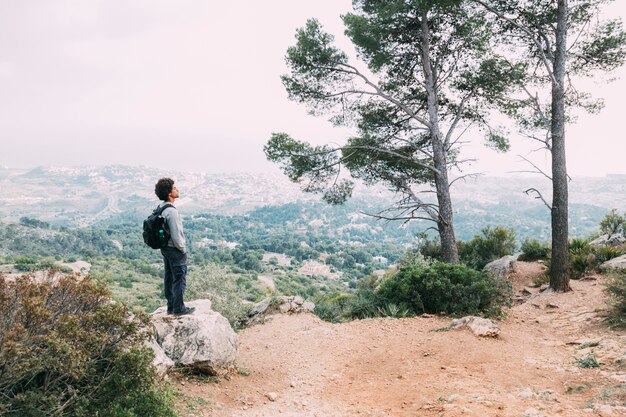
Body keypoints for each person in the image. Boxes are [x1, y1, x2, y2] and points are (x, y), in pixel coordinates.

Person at [154, 177, 195, 316]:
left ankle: (171, 307)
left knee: (169, 277)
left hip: (165, 248)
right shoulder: (172, 211)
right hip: (175, 249)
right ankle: (179, 308)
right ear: (169, 193)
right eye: (174, 188)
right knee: (179, 278)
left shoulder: (161, 208)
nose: (177, 189)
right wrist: (183, 249)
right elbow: (176, 236)